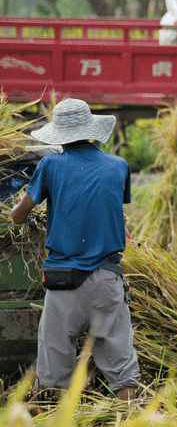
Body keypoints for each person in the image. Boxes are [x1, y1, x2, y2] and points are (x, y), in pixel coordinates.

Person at [10, 99, 140, 400]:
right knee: (122, 365)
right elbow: (113, 214)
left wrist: (16, 216)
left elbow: (19, 214)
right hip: (109, 279)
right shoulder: (118, 166)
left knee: (55, 367)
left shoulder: (51, 165)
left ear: (60, 136)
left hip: (64, 282)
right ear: (90, 130)